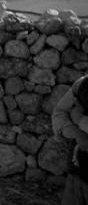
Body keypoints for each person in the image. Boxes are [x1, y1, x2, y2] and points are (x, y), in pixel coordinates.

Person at [52, 75, 88, 204]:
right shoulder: (82, 84)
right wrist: (78, 134)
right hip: (76, 177)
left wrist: (78, 118)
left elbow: (70, 113)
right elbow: (60, 113)